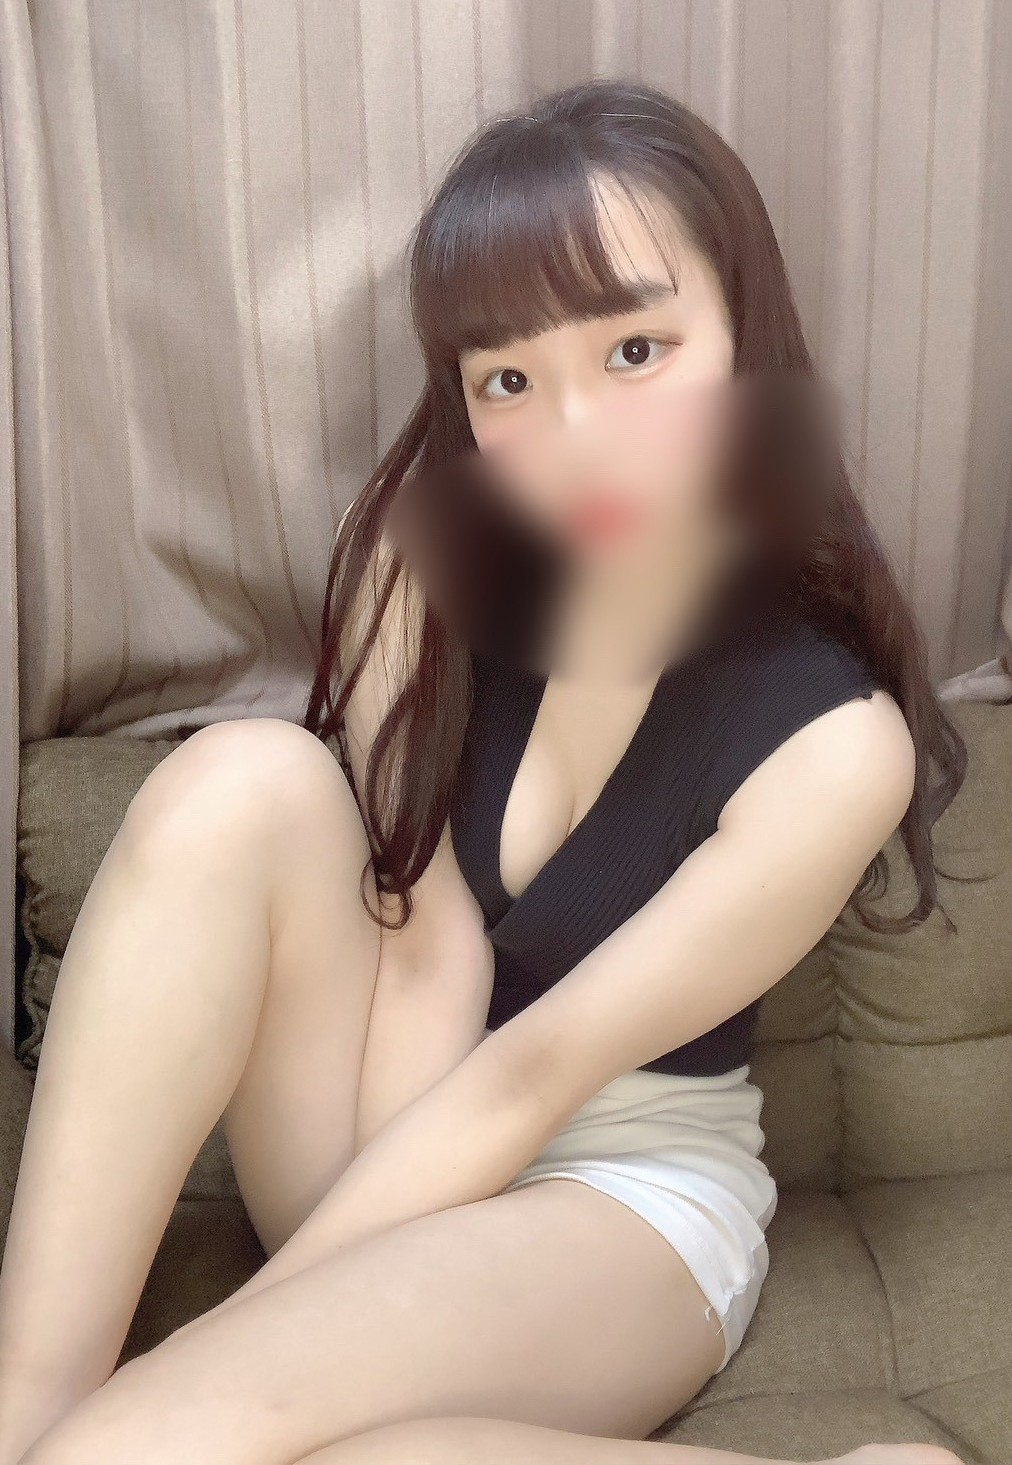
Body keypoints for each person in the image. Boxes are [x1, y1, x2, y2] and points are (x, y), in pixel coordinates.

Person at [0, 77, 969, 1465]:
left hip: (616, 1196)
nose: (573, 439)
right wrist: (324, 1301)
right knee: (244, 778)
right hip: (406, 1098)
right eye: (508, 380)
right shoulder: (426, 555)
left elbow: (536, 1074)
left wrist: (239, 1356)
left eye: (635, 350)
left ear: (747, 340)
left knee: (166, 1449)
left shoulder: (830, 745)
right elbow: (422, 927)